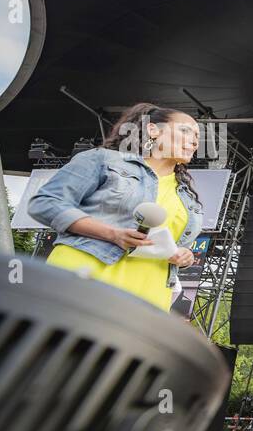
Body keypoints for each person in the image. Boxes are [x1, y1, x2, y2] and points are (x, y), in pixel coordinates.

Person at [28, 103, 202, 310]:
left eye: (198, 137)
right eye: (185, 130)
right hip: (86, 279)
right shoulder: (104, 160)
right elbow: (46, 202)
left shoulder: (188, 196)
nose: (194, 141)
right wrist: (112, 234)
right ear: (153, 130)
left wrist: (185, 255)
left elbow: (179, 244)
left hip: (149, 297)